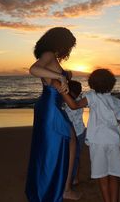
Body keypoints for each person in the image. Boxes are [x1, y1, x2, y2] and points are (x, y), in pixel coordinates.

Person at [53, 69, 120, 202]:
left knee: (102, 176)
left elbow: (74, 105)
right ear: (112, 84)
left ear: (92, 84)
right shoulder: (117, 102)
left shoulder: (92, 96)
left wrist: (61, 90)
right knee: (114, 175)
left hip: (98, 142)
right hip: (114, 141)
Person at [25, 27, 80, 202]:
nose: (69, 50)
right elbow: (33, 70)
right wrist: (62, 77)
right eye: (69, 46)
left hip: (49, 105)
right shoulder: (48, 54)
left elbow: (49, 76)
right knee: (59, 144)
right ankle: (64, 189)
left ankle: (62, 187)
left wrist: (64, 75)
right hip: (50, 107)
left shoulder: (50, 56)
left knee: (65, 142)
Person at [63, 80, 86, 185]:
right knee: (76, 157)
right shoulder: (81, 99)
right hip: (80, 132)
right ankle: (75, 178)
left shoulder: (66, 103)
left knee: (70, 157)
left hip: (72, 133)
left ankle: (72, 178)